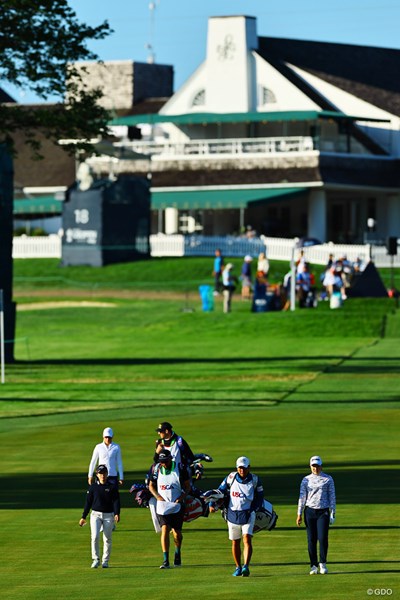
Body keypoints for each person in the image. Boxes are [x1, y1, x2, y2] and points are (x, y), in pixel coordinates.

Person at [210, 456, 264, 577]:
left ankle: (246, 566)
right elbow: (220, 491)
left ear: (249, 468)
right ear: (236, 468)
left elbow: (260, 496)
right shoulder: (230, 478)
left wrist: (254, 509)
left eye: (244, 468)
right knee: (235, 542)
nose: (242, 470)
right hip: (232, 513)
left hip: (248, 513)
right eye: (240, 468)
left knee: (247, 539)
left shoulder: (255, 479)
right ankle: (238, 567)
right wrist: (212, 503)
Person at [148, 449, 191, 568]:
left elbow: (188, 486)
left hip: (177, 505)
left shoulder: (180, 468)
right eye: (161, 461)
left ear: (170, 459)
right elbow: (150, 485)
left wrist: (181, 498)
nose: (163, 464)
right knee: (165, 529)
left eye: (165, 461)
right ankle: (165, 560)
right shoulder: (156, 469)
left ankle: (177, 552)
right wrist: (158, 497)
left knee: (177, 533)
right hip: (162, 506)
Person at [296, 455, 336, 575]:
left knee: (323, 538)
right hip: (309, 511)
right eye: (313, 466)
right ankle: (313, 565)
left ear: (321, 466)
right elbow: (302, 497)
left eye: (318, 466)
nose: (316, 468)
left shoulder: (328, 479)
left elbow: (332, 496)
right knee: (311, 539)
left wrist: (333, 512)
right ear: (310, 466)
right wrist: (299, 513)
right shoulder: (306, 480)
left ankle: (322, 563)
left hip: (323, 511)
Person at [79, 464, 121, 569]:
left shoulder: (112, 487)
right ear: (97, 475)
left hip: (109, 515)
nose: (103, 476)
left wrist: (117, 513)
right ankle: (96, 559)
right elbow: (88, 502)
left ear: (107, 474)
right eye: (100, 474)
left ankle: (105, 561)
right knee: (95, 537)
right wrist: (83, 516)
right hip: (95, 515)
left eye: (104, 473)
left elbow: (116, 501)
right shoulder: (93, 487)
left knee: (107, 538)